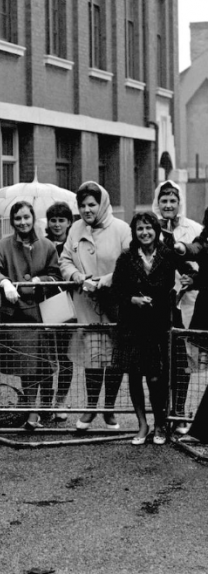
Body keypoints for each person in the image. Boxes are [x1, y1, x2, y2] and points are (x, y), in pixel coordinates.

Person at [59, 181, 131, 431]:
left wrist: (108, 280)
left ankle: (108, 408)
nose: (87, 209)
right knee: (93, 356)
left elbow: (129, 264)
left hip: (115, 303)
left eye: (92, 204)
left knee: (115, 358)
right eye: (82, 205)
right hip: (87, 303)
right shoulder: (76, 229)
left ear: (102, 204)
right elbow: (65, 259)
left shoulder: (121, 229)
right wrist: (75, 276)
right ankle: (91, 407)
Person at [0, 200, 61, 429]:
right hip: (18, 315)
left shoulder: (47, 246)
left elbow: (56, 275)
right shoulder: (3, 245)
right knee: (27, 369)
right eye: (18, 218)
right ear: (12, 221)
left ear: (33, 218)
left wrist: (41, 281)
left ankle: (47, 408)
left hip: (43, 314)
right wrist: (4, 282)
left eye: (26, 217)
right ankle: (31, 413)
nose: (23, 222)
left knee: (46, 366)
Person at [111, 212, 178, 446]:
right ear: (134, 232)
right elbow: (116, 290)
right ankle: (142, 424)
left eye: (149, 228)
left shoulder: (168, 255)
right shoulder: (127, 257)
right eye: (140, 228)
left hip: (158, 324)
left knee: (156, 377)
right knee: (135, 376)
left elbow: (182, 276)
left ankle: (160, 423)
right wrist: (132, 299)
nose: (145, 233)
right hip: (132, 325)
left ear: (156, 230)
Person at [152, 180, 202, 434]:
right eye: (164, 201)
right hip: (158, 304)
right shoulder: (149, 229)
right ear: (157, 203)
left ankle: (180, 411)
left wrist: (192, 276)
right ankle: (161, 416)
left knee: (182, 361)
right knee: (159, 362)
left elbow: (202, 258)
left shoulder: (193, 228)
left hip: (184, 303)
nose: (168, 205)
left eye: (172, 201)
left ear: (179, 202)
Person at [174, 206, 208, 444]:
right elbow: (195, 249)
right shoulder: (205, 238)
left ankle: (200, 429)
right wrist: (182, 248)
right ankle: (200, 430)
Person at [44, 201, 75, 421]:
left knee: (65, 356)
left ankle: (60, 401)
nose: (57, 225)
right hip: (45, 303)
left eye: (61, 220)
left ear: (69, 222)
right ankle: (45, 403)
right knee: (46, 357)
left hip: (69, 304)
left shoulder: (73, 243)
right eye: (53, 220)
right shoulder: (42, 244)